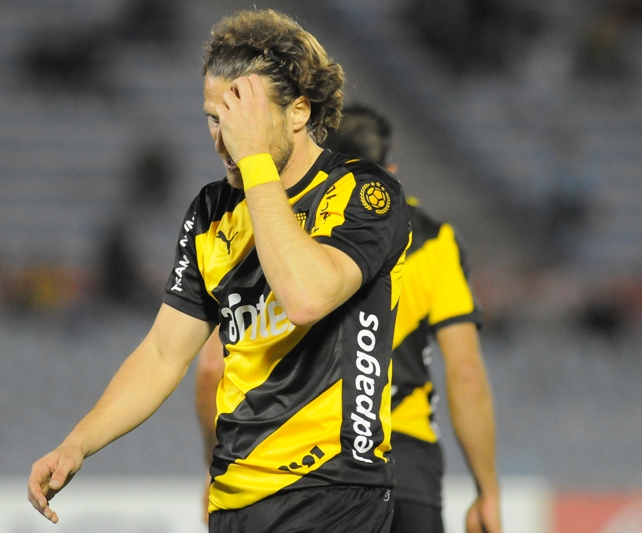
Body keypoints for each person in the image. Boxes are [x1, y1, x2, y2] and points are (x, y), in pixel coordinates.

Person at [28, 10, 412, 533]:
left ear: (298, 112)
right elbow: (164, 352)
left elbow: (305, 297)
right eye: (214, 119)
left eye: (238, 119)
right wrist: (77, 443)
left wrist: (254, 161)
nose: (222, 139)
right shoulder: (213, 211)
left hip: (334, 492)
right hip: (233, 502)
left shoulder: (364, 193)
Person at [195, 104, 502, 533]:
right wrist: (487, 489)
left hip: (310, 463)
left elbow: (212, 367)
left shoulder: (278, 234)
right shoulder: (435, 241)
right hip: (405, 464)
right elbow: (466, 372)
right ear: (392, 169)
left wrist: (221, 468)